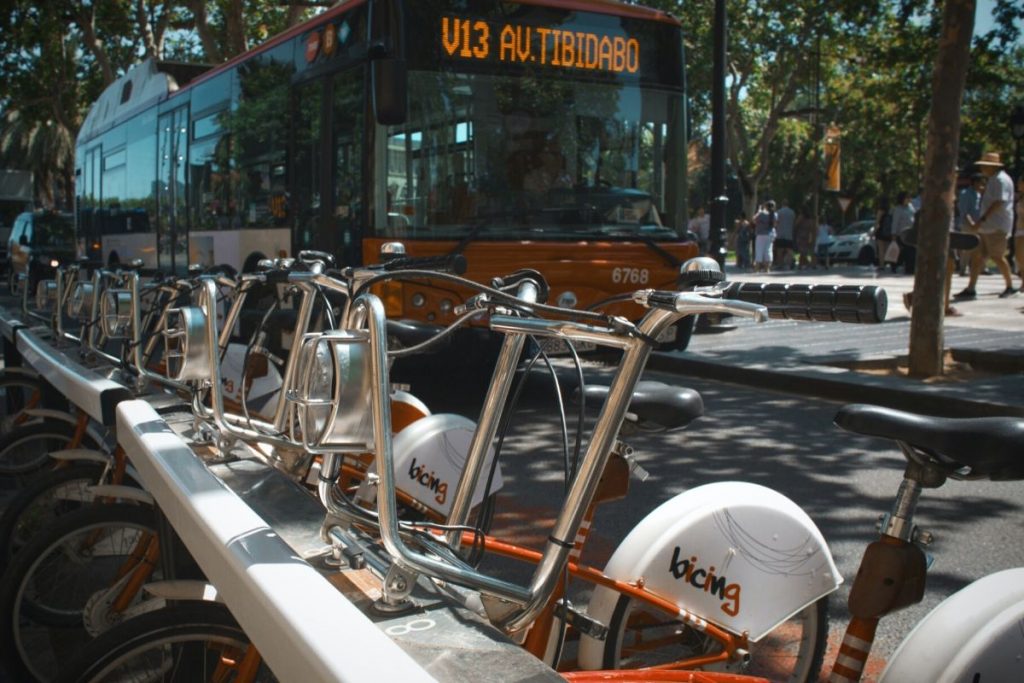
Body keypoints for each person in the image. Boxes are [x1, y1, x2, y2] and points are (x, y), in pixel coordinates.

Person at [955, 152, 1017, 299]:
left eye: (984, 165)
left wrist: (982, 219)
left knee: (997, 256)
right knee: (977, 256)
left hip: (996, 225)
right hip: (988, 226)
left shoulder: (1000, 180)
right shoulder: (994, 179)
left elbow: (998, 202)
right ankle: (971, 288)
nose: (982, 168)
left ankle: (1010, 286)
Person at [956, 174, 985, 274]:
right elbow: (964, 211)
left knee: (980, 246)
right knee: (967, 247)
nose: (981, 185)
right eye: (980, 182)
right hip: (968, 223)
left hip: (978, 223)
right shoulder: (965, 194)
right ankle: (963, 269)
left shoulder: (979, 194)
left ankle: (981, 268)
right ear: (974, 182)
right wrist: (971, 223)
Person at [890, 192, 916, 273]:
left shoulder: (911, 207)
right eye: (907, 198)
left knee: (911, 251)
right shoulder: (898, 209)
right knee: (901, 252)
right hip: (901, 234)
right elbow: (895, 222)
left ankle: (910, 268)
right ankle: (894, 265)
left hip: (910, 233)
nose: (909, 200)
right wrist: (893, 234)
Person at [752, 201, 777, 272]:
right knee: (768, 251)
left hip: (760, 234)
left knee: (759, 250)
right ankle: (767, 268)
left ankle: (757, 268)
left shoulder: (761, 214)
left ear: (765, 206)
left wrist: (759, 211)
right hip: (770, 234)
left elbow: (753, 219)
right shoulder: (774, 214)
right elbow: (775, 225)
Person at [773, 200, 796, 269]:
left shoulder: (778, 212)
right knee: (789, 250)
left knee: (780, 250)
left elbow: (776, 223)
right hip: (789, 234)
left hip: (780, 233)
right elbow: (793, 222)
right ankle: (789, 263)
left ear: (782, 204)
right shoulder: (792, 212)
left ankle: (780, 264)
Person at [874, 196, 893, 271]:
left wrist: (874, 231)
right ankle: (890, 263)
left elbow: (877, 222)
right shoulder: (890, 210)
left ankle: (882, 265)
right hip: (888, 232)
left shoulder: (880, 210)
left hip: (881, 231)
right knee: (887, 249)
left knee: (881, 250)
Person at [1014, 176, 1024, 291]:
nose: (1018, 185)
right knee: (1019, 257)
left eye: (1020, 183)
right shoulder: (1020, 197)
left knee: (1021, 256)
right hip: (1019, 229)